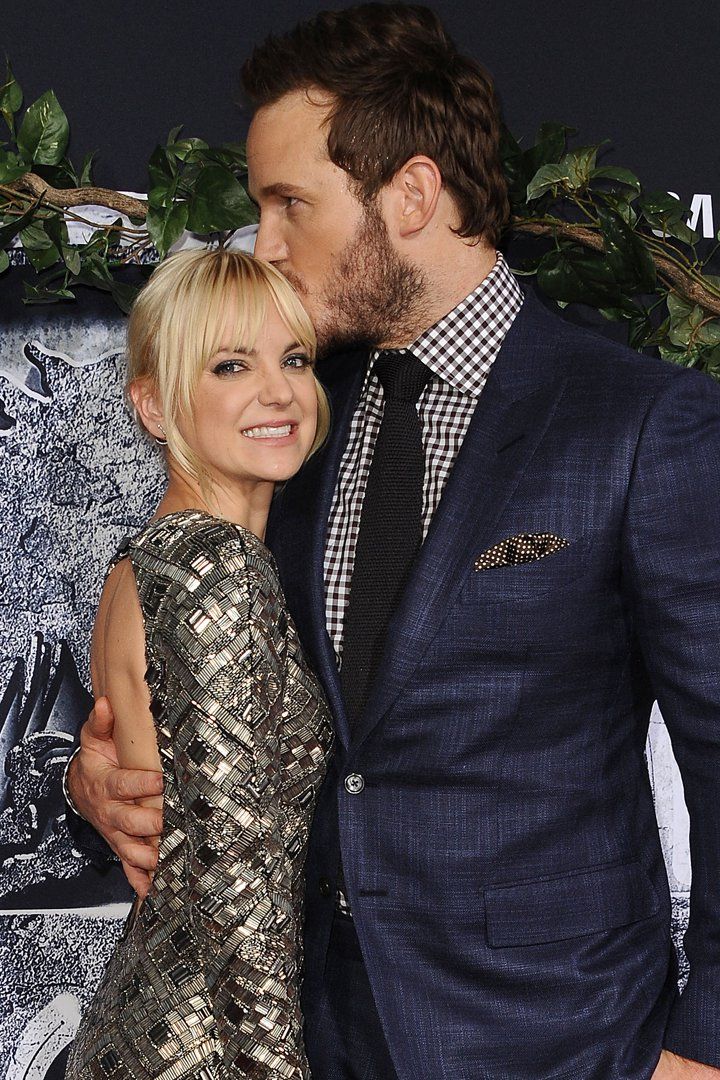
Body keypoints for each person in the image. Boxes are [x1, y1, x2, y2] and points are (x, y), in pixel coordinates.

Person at [66, 5, 720, 1079]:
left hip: (555, 1041)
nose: (264, 244)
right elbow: (201, 657)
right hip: (305, 1031)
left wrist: (705, 1048)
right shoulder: (288, 421)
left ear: (411, 195)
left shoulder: (641, 424)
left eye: (288, 204)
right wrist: (113, 775)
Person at [65, 249, 333, 1079]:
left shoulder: (143, 559)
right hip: (207, 1049)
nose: (278, 390)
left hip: (151, 1019)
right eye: (230, 365)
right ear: (151, 404)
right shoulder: (218, 565)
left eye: (293, 358)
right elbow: (233, 877)